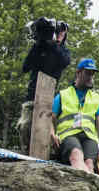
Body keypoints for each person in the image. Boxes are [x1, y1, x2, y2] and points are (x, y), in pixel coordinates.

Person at [50, 59, 99, 172]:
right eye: (87, 73)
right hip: (68, 136)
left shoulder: (96, 98)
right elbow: (50, 118)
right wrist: (52, 133)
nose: (90, 77)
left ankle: (87, 187)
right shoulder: (63, 95)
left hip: (89, 138)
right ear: (78, 73)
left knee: (89, 164)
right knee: (76, 156)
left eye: (92, 74)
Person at [20, 18, 70, 150]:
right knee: (25, 126)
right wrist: (39, 43)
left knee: (43, 133)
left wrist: (57, 42)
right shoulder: (39, 47)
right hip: (31, 97)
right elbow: (25, 67)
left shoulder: (62, 51)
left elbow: (64, 62)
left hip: (47, 100)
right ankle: (25, 153)